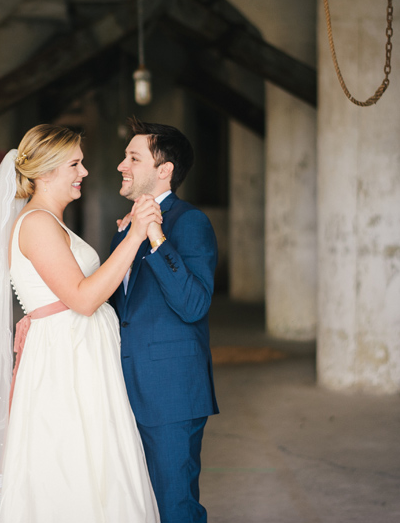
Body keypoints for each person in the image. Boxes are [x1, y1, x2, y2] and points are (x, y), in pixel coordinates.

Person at [0, 124, 161, 523]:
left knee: (96, 468)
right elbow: (84, 298)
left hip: (77, 353)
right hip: (65, 364)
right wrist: (137, 236)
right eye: (75, 163)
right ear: (44, 172)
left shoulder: (49, 221)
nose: (85, 172)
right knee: (72, 471)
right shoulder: (38, 223)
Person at [110, 117, 219, 523]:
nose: (122, 165)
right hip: (121, 387)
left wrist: (155, 236)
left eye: (133, 158)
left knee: (175, 508)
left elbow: (193, 305)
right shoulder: (124, 229)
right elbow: (119, 309)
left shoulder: (189, 222)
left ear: (164, 170)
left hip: (170, 391)